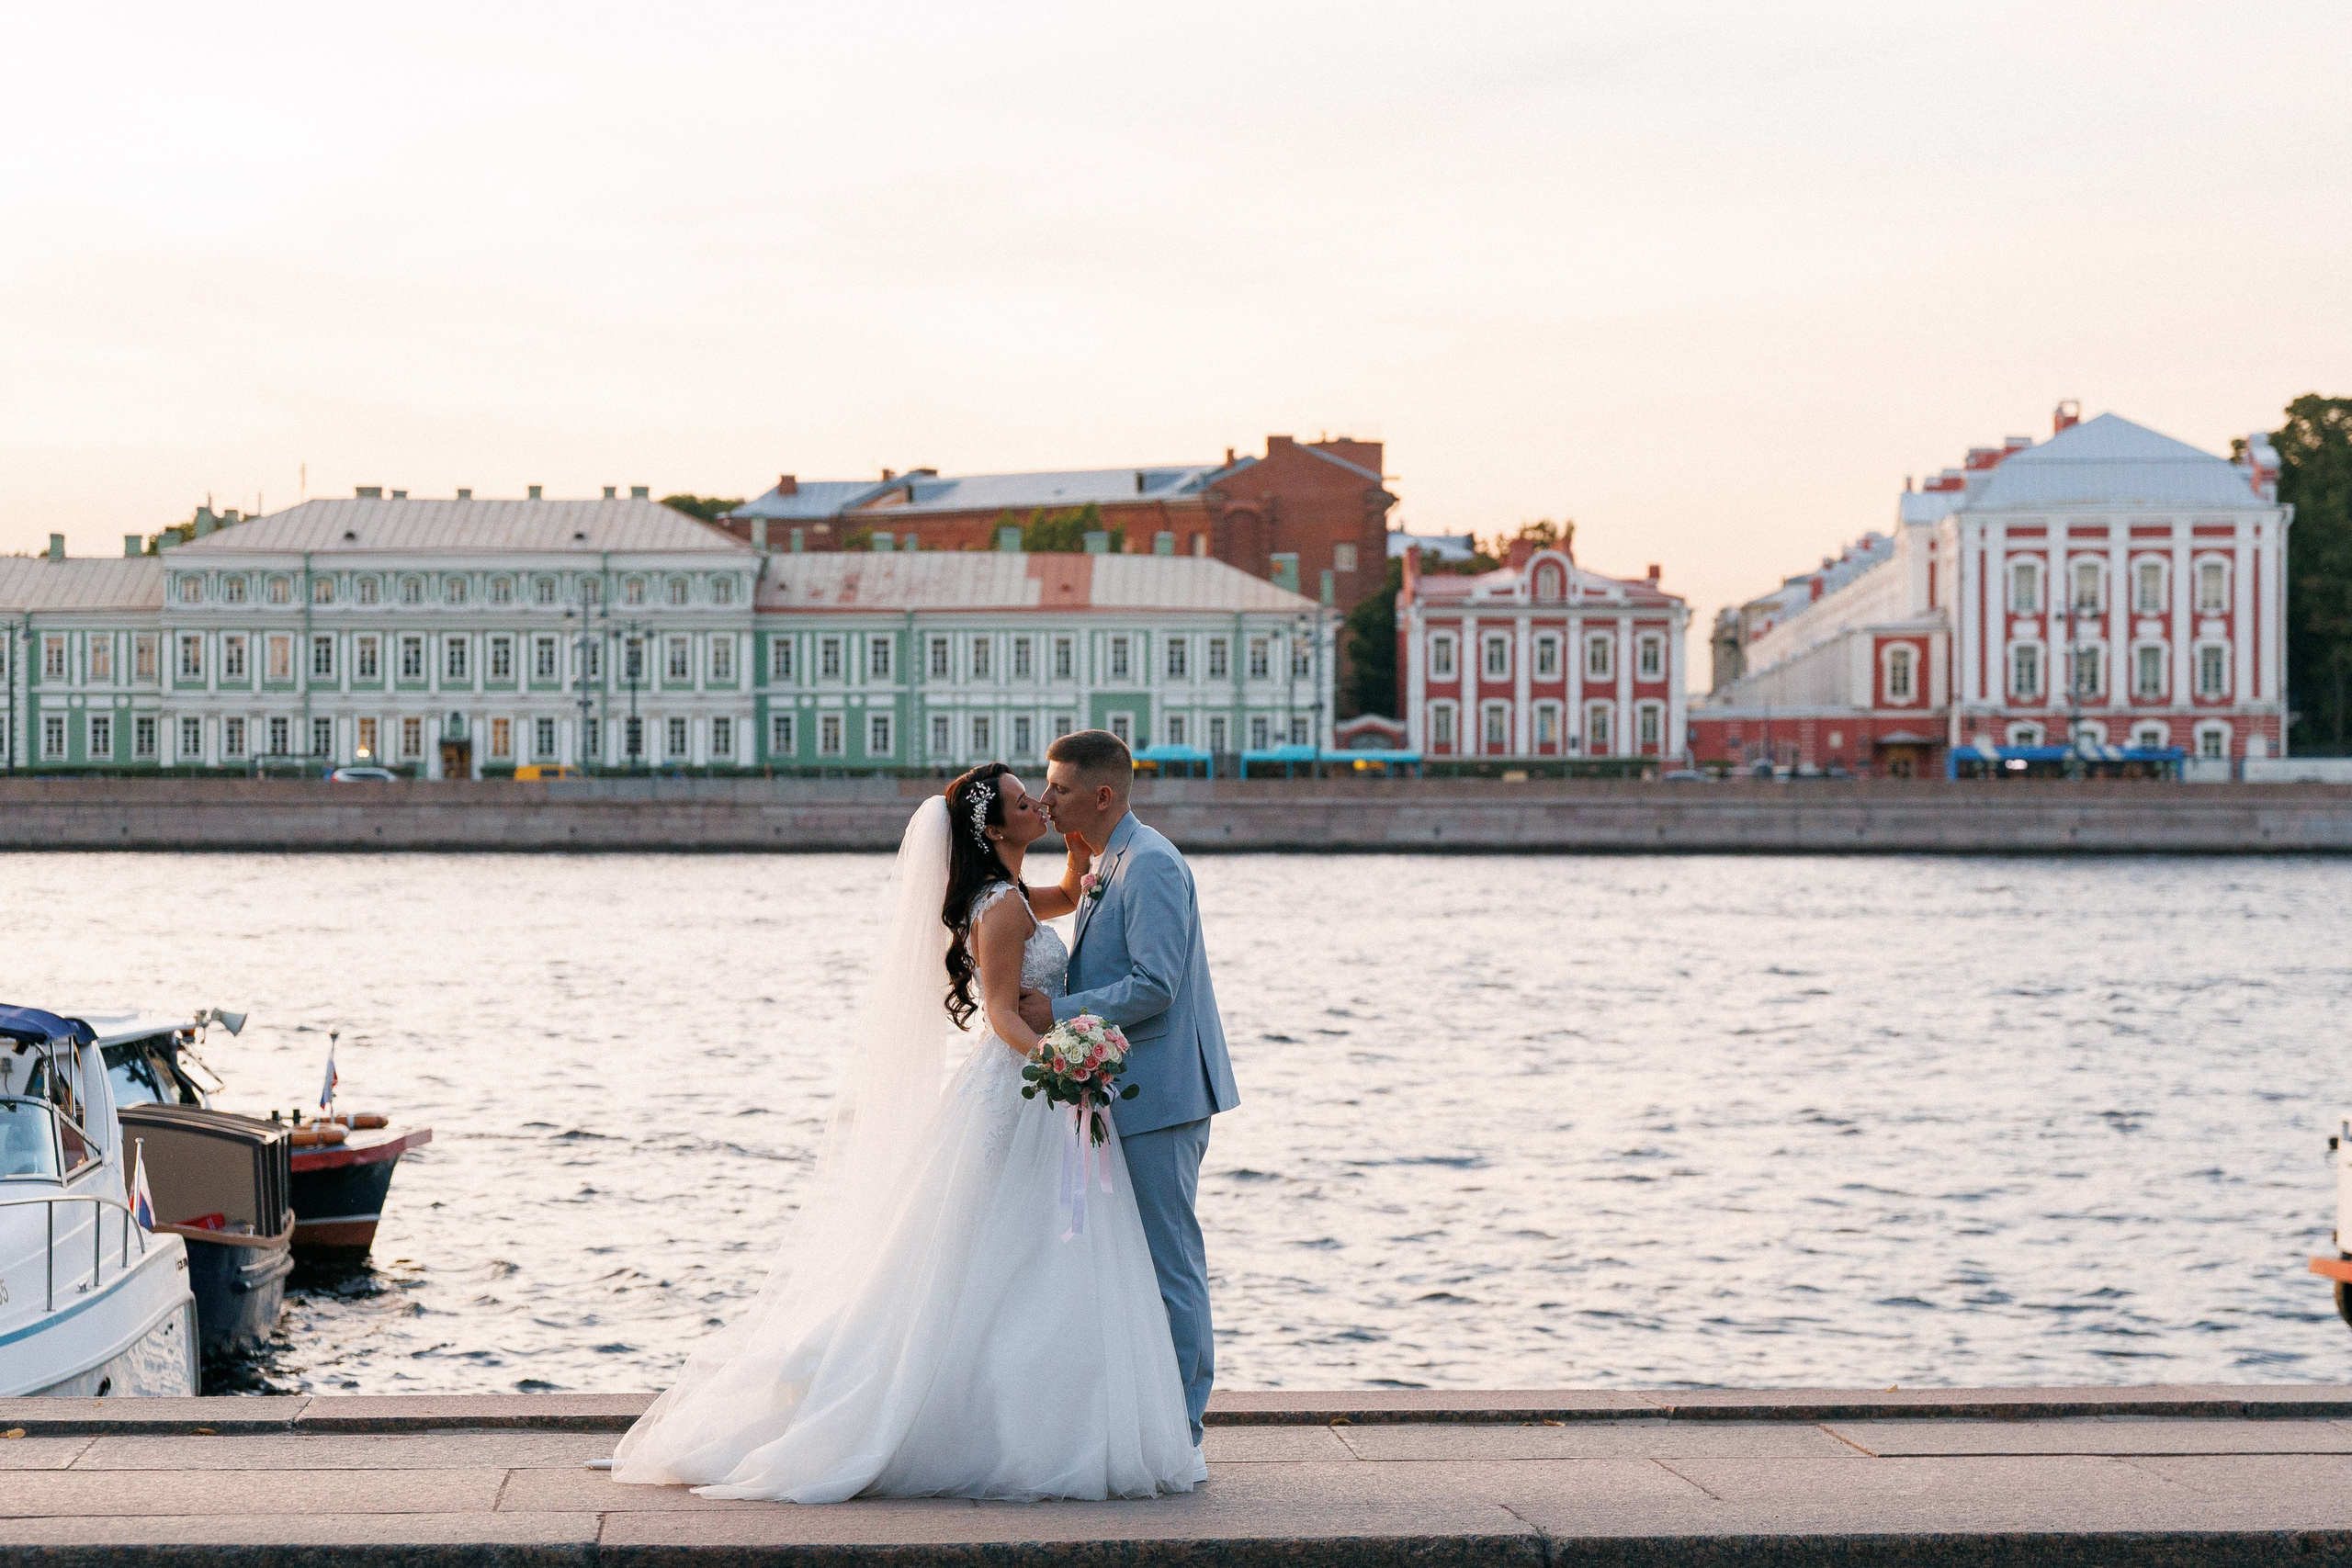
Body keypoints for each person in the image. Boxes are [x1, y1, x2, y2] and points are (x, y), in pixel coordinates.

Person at [607, 762, 1201, 1502]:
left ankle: (1037, 1407)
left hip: (1029, 1091)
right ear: (992, 828)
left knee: (1015, 1249)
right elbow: (1002, 1014)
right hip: (1022, 1083)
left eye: (1041, 792)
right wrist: (1062, 1059)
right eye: (1025, 800)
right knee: (988, 1249)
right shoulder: (1001, 909)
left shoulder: (1016, 895)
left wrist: (1074, 833)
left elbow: (1071, 888)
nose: (1038, 804)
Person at [1023, 728, 1239, 1448]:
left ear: (1102, 792)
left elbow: (1155, 983)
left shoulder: (1148, 865)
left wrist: (1052, 1014)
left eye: (1057, 785)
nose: (1046, 797)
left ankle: (1181, 1428)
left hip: (1164, 1093)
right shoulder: (1106, 859)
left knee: (1170, 1260)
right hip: (1130, 1090)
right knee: (1135, 1260)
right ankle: (1143, 1413)